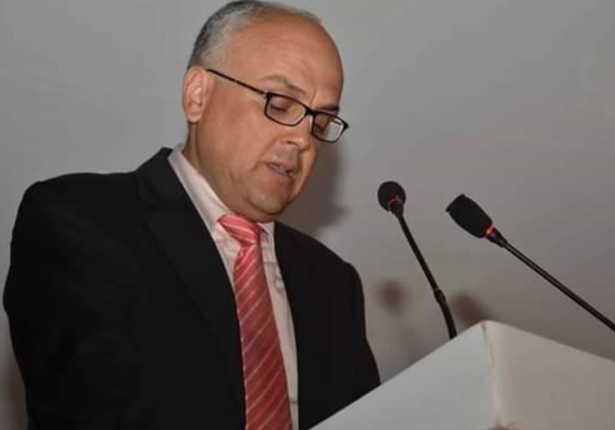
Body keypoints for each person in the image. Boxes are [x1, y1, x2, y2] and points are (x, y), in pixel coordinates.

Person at [3, 2, 379, 429]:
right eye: (279, 103)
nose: (303, 139)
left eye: (321, 121)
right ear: (197, 95)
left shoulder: (334, 283)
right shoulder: (80, 220)